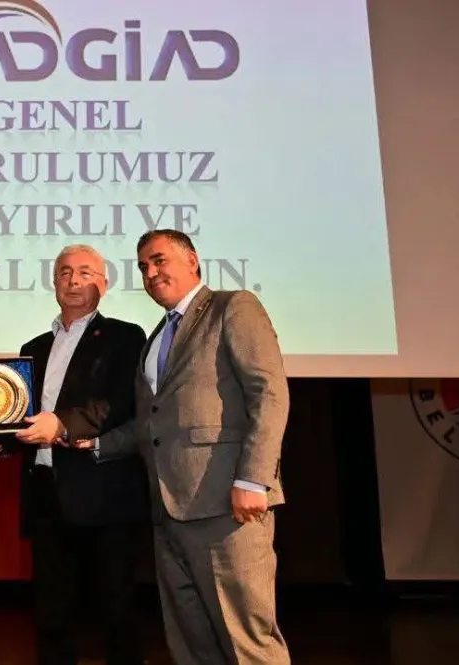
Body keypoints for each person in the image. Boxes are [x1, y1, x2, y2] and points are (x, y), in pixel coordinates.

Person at [72, 230, 291, 665]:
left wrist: (254, 479)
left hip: (227, 507)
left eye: (159, 261)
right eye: (143, 267)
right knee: (191, 645)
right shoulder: (156, 337)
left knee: (247, 643)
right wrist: (93, 443)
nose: (151, 273)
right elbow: (151, 424)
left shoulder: (233, 307)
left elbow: (269, 393)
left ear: (192, 260)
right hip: (168, 514)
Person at [11, 245, 151, 665]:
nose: (74, 280)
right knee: (51, 611)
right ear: (54, 282)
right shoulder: (33, 346)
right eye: (65, 272)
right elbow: (20, 413)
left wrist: (61, 424)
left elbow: (117, 403)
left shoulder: (126, 337)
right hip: (45, 492)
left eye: (86, 272)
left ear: (104, 284)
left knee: (116, 609)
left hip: (103, 492)